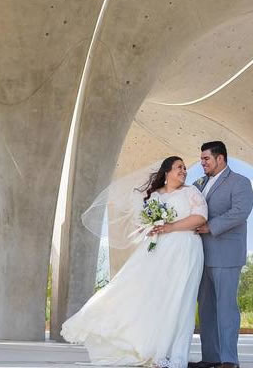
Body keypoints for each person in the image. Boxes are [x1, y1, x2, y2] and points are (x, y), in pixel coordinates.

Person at [61, 156, 208, 368]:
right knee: (153, 297)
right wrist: (151, 227)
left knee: (180, 299)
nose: (184, 171)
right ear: (166, 172)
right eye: (179, 168)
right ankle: (149, 346)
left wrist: (170, 227)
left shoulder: (191, 192)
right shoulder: (154, 196)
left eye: (185, 168)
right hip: (158, 251)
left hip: (186, 250)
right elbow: (144, 225)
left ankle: (174, 356)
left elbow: (201, 217)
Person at [190, 141, 253, 368]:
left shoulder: (240, 182)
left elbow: (240, 212)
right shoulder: (198, 183)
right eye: (201, 159)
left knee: (226, 309)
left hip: (226, 254)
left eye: (206, 158)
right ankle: (211, 358)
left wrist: (211, 226)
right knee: (206, 310)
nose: (202, 163)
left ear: (220, 158)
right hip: (201, 256)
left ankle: (229, 360)